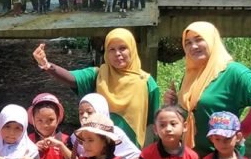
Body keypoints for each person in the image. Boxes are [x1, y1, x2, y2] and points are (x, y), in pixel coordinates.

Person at [32, 28, 160, 147]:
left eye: (123, 48)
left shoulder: (147, 82)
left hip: (130, 152)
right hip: (97, 150)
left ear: (132, 49)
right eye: (111, 49)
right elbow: (72, 78)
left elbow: (152, 120)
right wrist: (47, 65)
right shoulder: (98, 75)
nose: (117, 53)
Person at [177, 22, 251, 156]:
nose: (193, 46)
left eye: (199, 39)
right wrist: (173, 103)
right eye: (188, 43)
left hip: (223, 157)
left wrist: (241, 131)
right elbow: (192, 110)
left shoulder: (233, 71)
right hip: (191, 156)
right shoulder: (191, 74)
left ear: (212, 41)